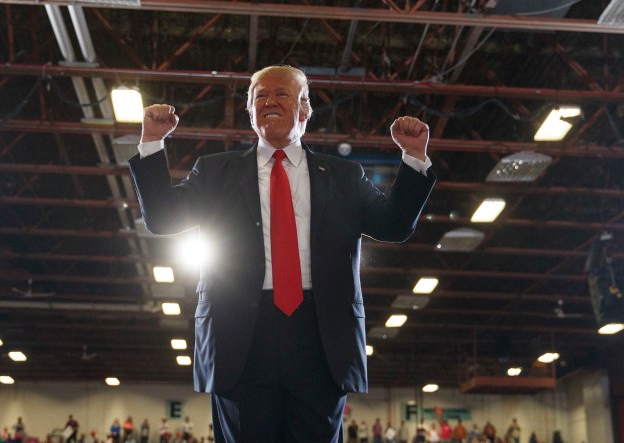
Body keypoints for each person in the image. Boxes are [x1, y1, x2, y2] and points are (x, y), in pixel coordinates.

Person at [129, 64, 435, 442]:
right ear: (250, 113)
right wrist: (152, 144)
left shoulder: (343, 176)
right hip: (241, 338)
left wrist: (414, 158)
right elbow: (162, 218)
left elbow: (393, 225)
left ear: (305, 110)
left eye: (282, 94)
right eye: (260, 95)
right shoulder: (215, 172)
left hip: (320, 337)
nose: (269, 101)